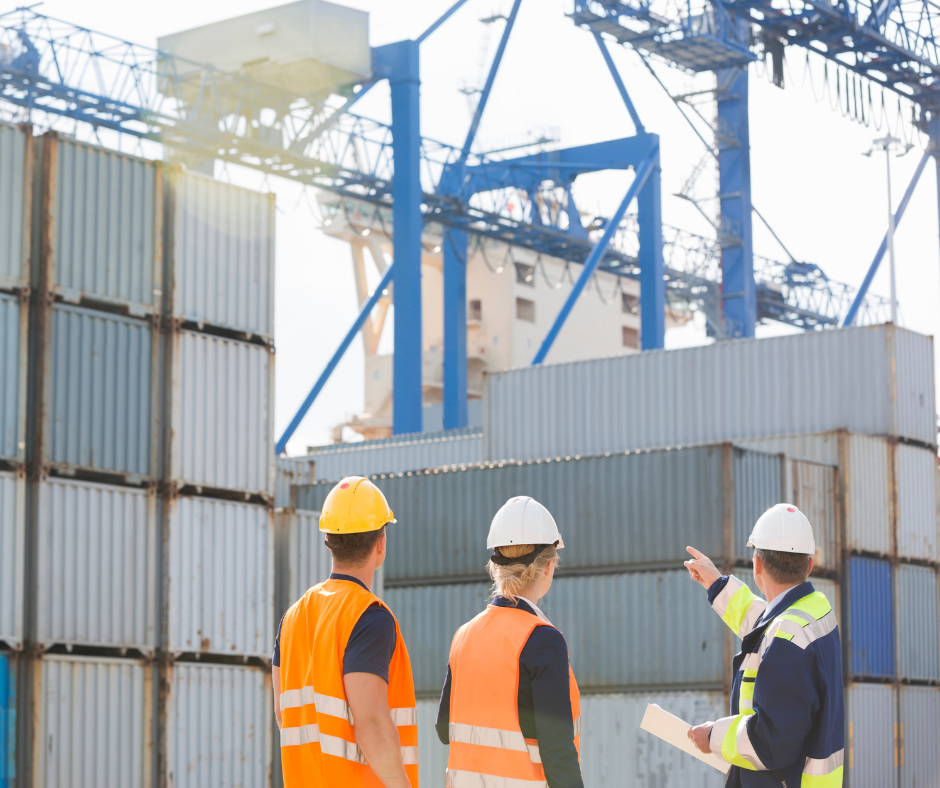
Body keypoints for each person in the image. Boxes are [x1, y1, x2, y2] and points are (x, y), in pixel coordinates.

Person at [684, 503, 844, 788]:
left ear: (757, 565)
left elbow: (771, 741)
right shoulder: (815, 612)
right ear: (809, 565)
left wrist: (713, 737)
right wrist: (716, 584)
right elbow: (766, 625)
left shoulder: (787, 641)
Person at [273, 476, 418, 788]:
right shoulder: (369, 617)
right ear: (381, 544)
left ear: (329, 542)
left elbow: (284, 715)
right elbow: (372, 723)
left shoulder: (292, 617)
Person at [436, 496, 583, 788]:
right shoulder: (542, 641)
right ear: (548, 567)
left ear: (496, 565)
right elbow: (557, 752)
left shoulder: (463, 635)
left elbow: (444, 729)